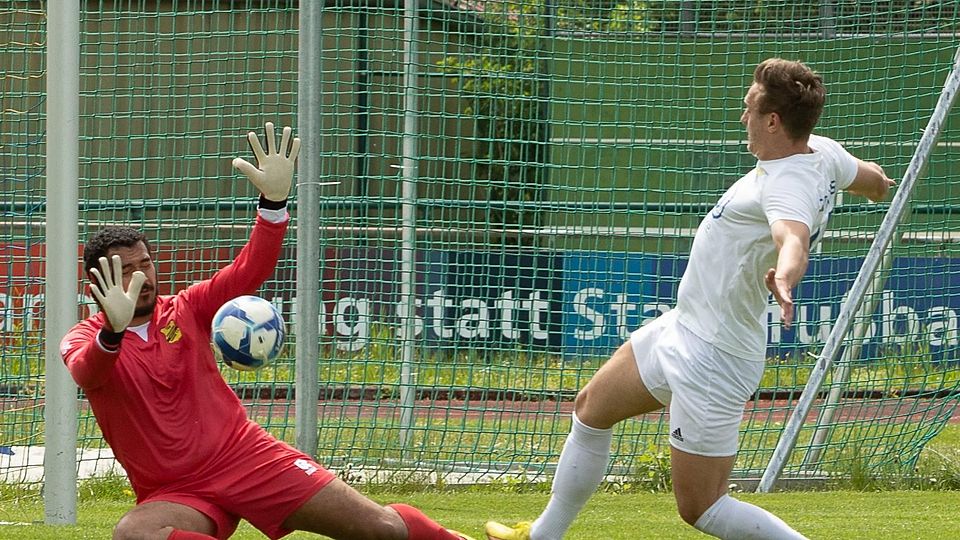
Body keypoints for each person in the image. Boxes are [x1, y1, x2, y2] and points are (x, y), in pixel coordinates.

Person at [485, 58, 896, 540]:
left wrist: (785, 278)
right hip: (683, 327)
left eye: (749, 108)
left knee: (703, 508)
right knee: (591, 408)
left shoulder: (787, 184)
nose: (742, 117)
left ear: (772, 121)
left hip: (714, 357)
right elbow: (868, 177)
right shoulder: (823, 153)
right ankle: (541, 537)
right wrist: (879, 188)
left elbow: (793, 239)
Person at [61, 123, 475, 540]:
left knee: (380, 529)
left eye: (145, 263)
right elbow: (87, 372)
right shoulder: (84, 337)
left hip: (247, 458)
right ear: (98, 279)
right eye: (127, 270)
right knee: (134, 535)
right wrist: (112, 332)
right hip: (176, 492)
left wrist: (273, 204)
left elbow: (249, 271)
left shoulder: (186, 308)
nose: (141, 277)